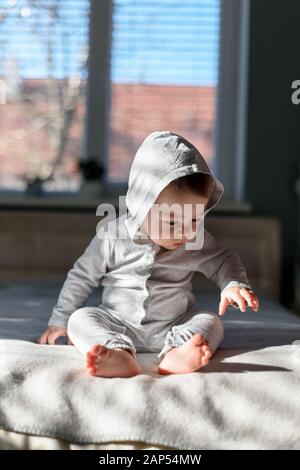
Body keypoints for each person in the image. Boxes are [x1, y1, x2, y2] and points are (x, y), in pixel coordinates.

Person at [38, 131, 259, 377]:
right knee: (80, 319)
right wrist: (59, 322)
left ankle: (178, 352)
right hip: (117, 323)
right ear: (142, 206)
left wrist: (232, 283)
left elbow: (222, 260)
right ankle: (118, 353)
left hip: (173, 325)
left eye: (195, 219)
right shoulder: (112, 236)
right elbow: (81, 277)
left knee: (210, 321)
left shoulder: (196, 240)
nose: (186, 232)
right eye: (172, 222)